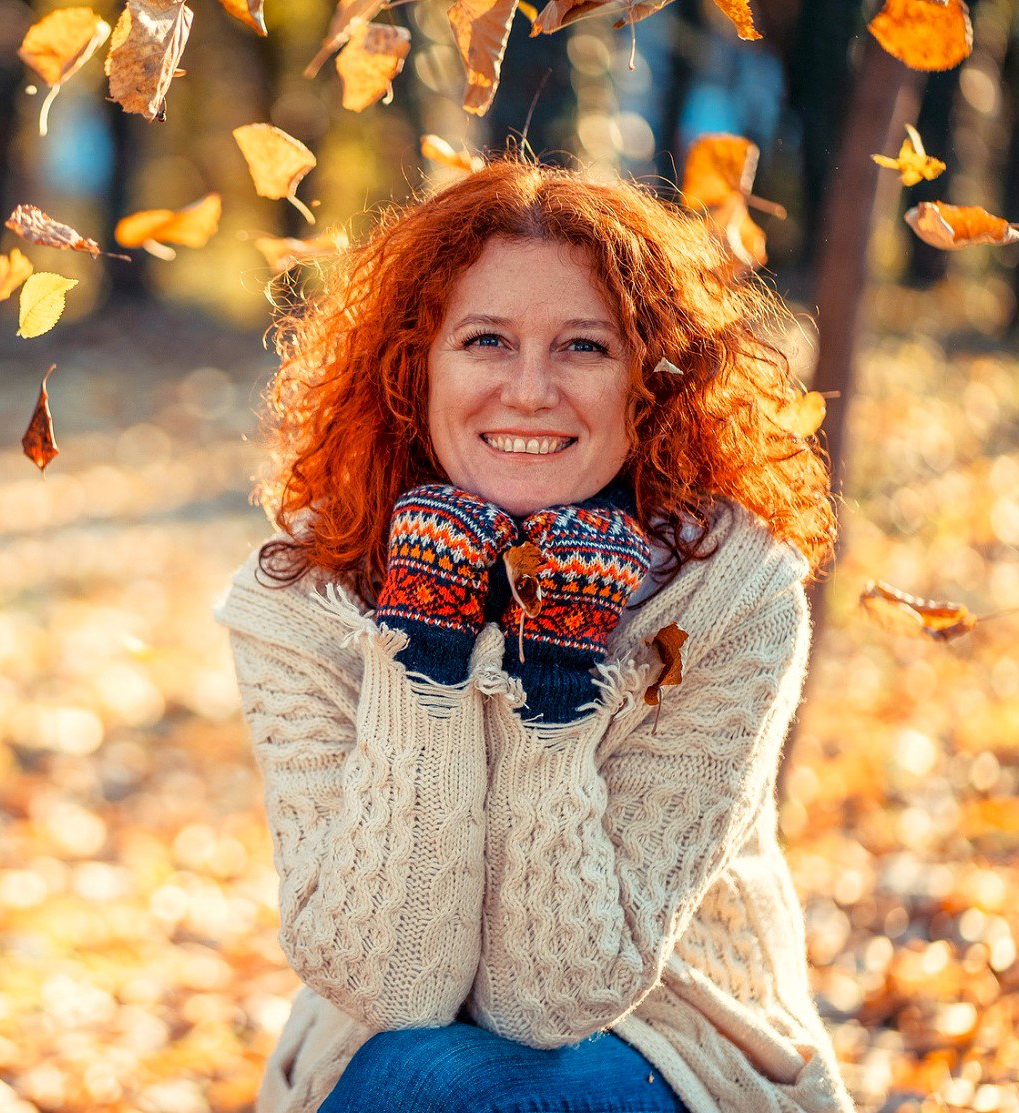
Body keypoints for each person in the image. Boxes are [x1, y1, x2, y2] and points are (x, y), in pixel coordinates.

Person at [211, 152, 854, 1113]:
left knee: (449, 1084)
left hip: (675, 1046)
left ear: (648, 380)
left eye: (583, 347)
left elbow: (548, 1000)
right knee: (422, 1070)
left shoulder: (728, 595)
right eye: (485, 341)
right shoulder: (301, 597)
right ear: (413, 367)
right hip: (383, 1056)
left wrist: (552, 685)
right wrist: (421, 650)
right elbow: (394, 988)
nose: (527, 390)